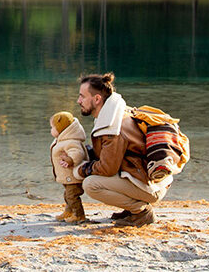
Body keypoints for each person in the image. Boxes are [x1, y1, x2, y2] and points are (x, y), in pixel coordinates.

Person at [56, 72, 171, 227]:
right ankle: (132, 209)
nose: (78, 101)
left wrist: (81, 169)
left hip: (150, 187)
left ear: (97, 99)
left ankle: (142, 211)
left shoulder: (113, 129)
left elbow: (107, 168)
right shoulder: (114, 114)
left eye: (82, 96)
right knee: (92, 175)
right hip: (148, 180)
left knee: (90, 184)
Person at [48, 111, 88, 223]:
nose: (51, 130)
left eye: (52, 127)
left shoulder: (71, 141)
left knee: (72, 196)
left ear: (61, 128)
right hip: (67, 177)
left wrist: (70, 160)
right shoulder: (62, 140)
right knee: (67, 195)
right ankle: (69, 211)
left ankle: (79, 215)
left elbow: (78, 153)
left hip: (73, 177)